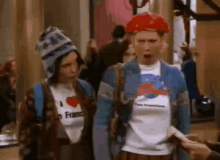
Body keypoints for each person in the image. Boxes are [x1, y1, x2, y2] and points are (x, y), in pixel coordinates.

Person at [93, 12, 190, 160]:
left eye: (152, 41)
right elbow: (101, 124)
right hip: (128, 153)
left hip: (166, 155)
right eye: (141, 41)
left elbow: (184, 128)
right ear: (132, 41)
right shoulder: (115, 74)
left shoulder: (175, 76)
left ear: (162, 41)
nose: (146, 47)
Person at [17, 27, 97, 160]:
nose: (74, 69)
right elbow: (26, 146)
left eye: (76, 62)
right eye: (66, 65)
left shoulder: (85, 89)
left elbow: (95, 133)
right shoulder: (37, 95)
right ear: (52, 68)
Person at [93, 25, 130, 94]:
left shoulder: (103, 49)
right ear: (124, 35)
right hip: (122, 85)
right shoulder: (126, 49)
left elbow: (97, 68)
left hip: (106, 83)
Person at [0, 56, 16, 131]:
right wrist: (10, 102)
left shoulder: (20, 79)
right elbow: (2, 93)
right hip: (5, 113)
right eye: (11, 63)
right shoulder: (3, 79)